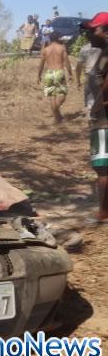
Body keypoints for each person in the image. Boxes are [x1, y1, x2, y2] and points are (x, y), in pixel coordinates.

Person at [82, 13, 108, 223]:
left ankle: (103, 212)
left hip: (104, 118)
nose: (89, 34)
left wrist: (97, 107)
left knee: (102, 167)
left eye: (93, 30)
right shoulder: (102, 53)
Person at [37, 31, 73, 123]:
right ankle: (56, 112)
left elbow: (41, 64)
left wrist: (39, 75)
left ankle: (57, 117)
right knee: (63, 95)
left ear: (50, 39)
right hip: (59, 72)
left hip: (49, 73)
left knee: (52, 96)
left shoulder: (46, 49)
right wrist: (70, 74)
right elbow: (67, 62)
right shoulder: (61, 48)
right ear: (58, 38)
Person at [76, 40, 102, 116]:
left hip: (90, 75)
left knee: (90, 98)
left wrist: (78, 81)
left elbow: (78, 67)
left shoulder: (84, 48)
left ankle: (93, 116)